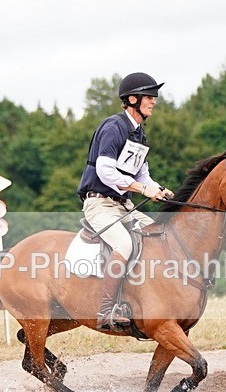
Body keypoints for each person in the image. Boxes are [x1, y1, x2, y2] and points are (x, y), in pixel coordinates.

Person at [77, 72, 174, 330]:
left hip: (123, 205)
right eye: (149, 96)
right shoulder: (114, 127)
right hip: (99, 203)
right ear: (133, 99)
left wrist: (159, 190)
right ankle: (107, 311)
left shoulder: (138, 134)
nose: (154, 101)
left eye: (154, 97)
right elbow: (105, 171)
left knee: (158, 234)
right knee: (124, 243)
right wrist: (143, 189)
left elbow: (142, 174)